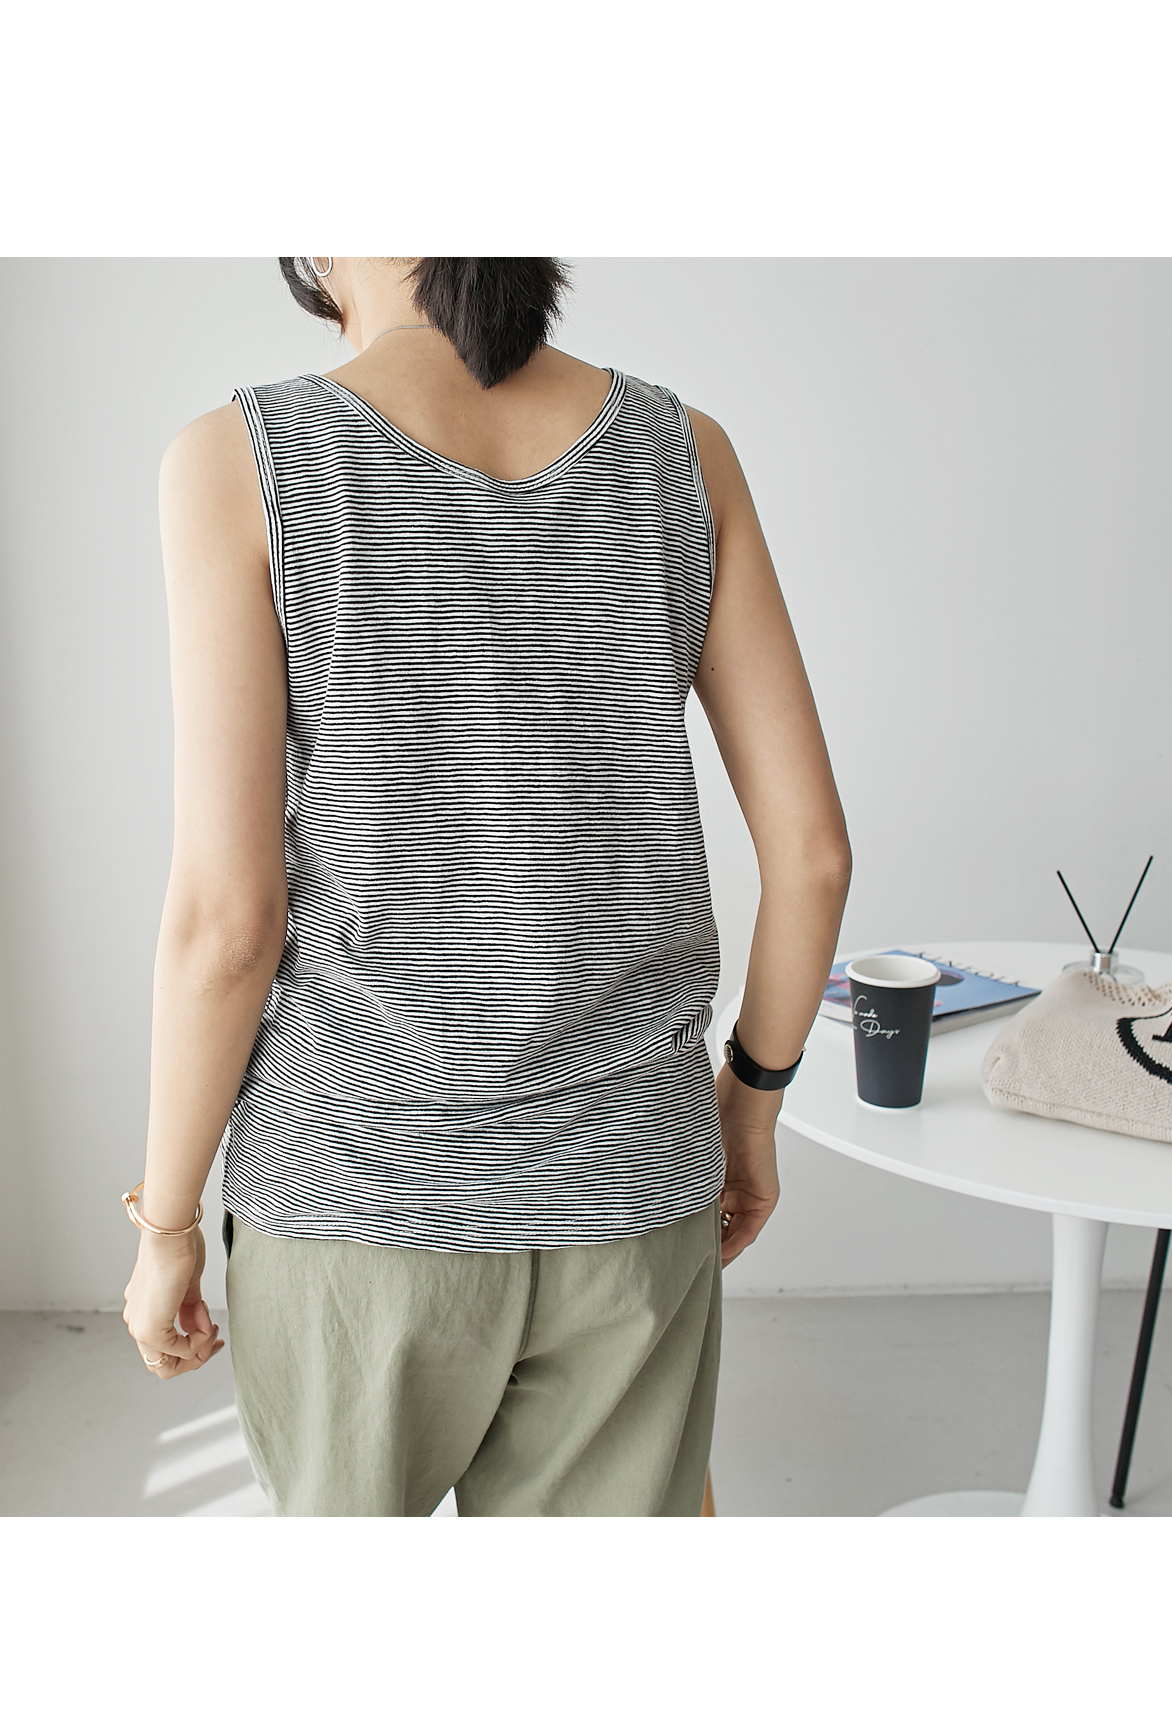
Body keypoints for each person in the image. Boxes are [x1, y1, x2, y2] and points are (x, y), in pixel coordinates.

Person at [121, 257, 851, 1517]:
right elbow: (814, 855)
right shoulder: (684, 451)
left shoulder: (238, 461)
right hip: (631, 1185)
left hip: (356, 1200)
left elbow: (229, 925)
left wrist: (167, 1222)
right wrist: (753, 1106)